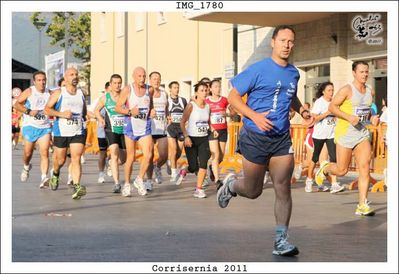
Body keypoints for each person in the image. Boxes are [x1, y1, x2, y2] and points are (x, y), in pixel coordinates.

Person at [217, 25, 312, 256]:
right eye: (283, 40)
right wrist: (255, 116)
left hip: (281, 138)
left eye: (291, 41)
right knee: (253, 190)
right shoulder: (258, 69)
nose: (287, 45)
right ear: (273, 42)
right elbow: (232, 97)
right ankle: (231, 185)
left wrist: (302, 110)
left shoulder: (294, 73)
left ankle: (281, 241)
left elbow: (290, 95)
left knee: (283, 188)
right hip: (255, 136)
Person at [315, 60, 377, 216]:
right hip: (345, 134)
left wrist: (374, 117)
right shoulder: (346, 90)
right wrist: (349, 117)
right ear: (354, 73)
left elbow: (368, 110)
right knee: (342, 170)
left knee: (364, 167)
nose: (365, 74)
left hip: (362, 133)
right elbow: (332, 107)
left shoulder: (370, 91)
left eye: (366, 71)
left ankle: (362, 204)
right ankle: (325, 168)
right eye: (361, 71)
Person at [44, 67, 87, 200]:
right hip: (61, 131)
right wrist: (61, 114)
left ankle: (77, 186)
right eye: (71, 75)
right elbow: (46, 110)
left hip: (78, 131)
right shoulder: (59, 93)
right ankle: (55, 174)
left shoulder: (81, 93)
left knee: (76, 158)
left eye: (76, 74)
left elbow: (83, 111)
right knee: (61, 160)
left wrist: (84, 118)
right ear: (66, 78)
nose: (75, 77)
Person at [115, 67, 155, 197]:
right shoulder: (128, 89)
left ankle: (139, 179)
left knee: (148, 154)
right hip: (131, 127)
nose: (142, 79)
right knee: (130, 158)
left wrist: (152, 111)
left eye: (144, 76)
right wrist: (130, 112)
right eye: (139, 76)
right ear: (133, 76)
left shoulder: (150, 90)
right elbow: (118, 108)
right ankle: (127, 184)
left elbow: (151, 105)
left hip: (145, 127)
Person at [13, 71, 52, 188]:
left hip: (44, 127)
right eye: (39, 80)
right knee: (28, 152)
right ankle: (26, 166)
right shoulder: (30, 91)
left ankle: (44, 178)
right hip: (30, 126)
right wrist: (29, 111)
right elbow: (16, 104)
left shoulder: (49, 93)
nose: (42, 82)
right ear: (34, 82)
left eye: (44, 80)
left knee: (44, 152)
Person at [304, 82, 344, 193]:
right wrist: (327, 113)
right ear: (323, 91)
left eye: (332, 90)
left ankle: (334, 184)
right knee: (315, 158)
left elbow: (337, 115)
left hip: (331, 134)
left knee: (334, 158)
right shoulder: (319, 102)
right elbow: (314, 119)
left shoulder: (334, 101)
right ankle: (309, 180)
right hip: (319, 134)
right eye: (329, 90)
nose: (331, 92)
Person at [177, 82, 213, 198]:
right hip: (191, 139)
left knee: (203, 164)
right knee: (193, 167)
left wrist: (213, 129)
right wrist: (186, 136)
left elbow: (207, 122)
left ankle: (198, 189)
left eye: (206, 90)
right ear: (196, 92)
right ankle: (184, 170)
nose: (204, 93)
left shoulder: (208, 107)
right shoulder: (191, 106)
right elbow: (182, 122)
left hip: (204, 138)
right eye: (201, 90)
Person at [95, 75, 127, 194]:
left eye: (119, 83)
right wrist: (100, 119)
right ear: (111, 84)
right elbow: (96, 110)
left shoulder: (125, 97)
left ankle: (111, 165)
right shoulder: (105, 98)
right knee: (114, 153)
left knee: (123, 159)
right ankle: (117, 183)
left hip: (123, 130)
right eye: (115, 83)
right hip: (111, 129)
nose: (117, 85)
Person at [205, 79, 236, 187]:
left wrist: (231, 112)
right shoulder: (206, 101)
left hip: (223, 130)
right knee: (216, 154)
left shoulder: (224, 100)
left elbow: (232, 113)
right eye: (216, 86)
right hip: (212, 130)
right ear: (211, 89)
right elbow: (204, 116)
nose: (218, 89)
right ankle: (218, 180)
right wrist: (211, 128)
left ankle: (211, 168)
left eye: (219, 86)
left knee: (221, 157)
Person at [145, 72, 169, 191]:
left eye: (158, 79)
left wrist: (168, 115)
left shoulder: (164, 93)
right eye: (154, 79)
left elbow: (166, 107)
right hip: (149, 128)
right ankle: (149, 181)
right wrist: (149, 113)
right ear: (150, 80)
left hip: (161, 128)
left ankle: (158, 166)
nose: (156, 81)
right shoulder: (146, 93)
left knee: (164, 154)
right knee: (149, 156)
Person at [87, 82, 110, 184]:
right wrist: (99, 117)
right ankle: (101, 173)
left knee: (115, 151)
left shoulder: (118, 98)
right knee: (102, 153)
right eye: (109, 89)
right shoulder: (99, 100)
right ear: (105, 89)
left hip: (115, 130)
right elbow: (89, 112)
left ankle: (110, 164)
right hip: (102, 131)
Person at [166, 81, 188, 183]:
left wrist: (186, 121)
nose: (176, 89)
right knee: (173, 150)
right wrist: (167, 118)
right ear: (170, 89)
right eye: (174, 87)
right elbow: (164, 113)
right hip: (171, 128)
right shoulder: (167, 101)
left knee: (178, 152)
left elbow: (187, 113)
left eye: (177, 87)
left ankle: (170, 161)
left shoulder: (183, 100)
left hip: (180, 128)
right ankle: (174, 173)